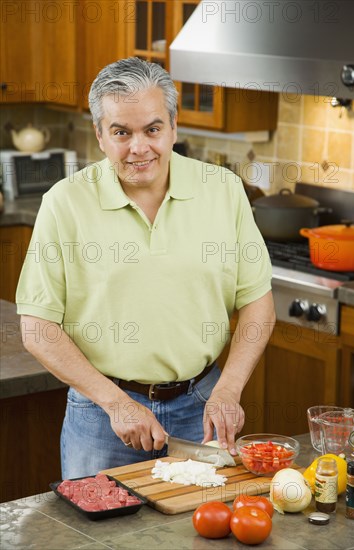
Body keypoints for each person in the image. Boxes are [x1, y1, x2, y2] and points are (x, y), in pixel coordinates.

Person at [16, 57, 275, 479]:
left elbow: (258, 304)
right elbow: (38, 328)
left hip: (202, 409)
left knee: (202, 538)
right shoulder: (64, 203)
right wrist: (116, 403)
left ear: (173, 128)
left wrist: (229, 388)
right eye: (121, 132)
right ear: (99, 135)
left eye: (153, 129)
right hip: (102, 415)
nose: (139, 147)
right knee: (96, 543)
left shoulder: (222, 190)